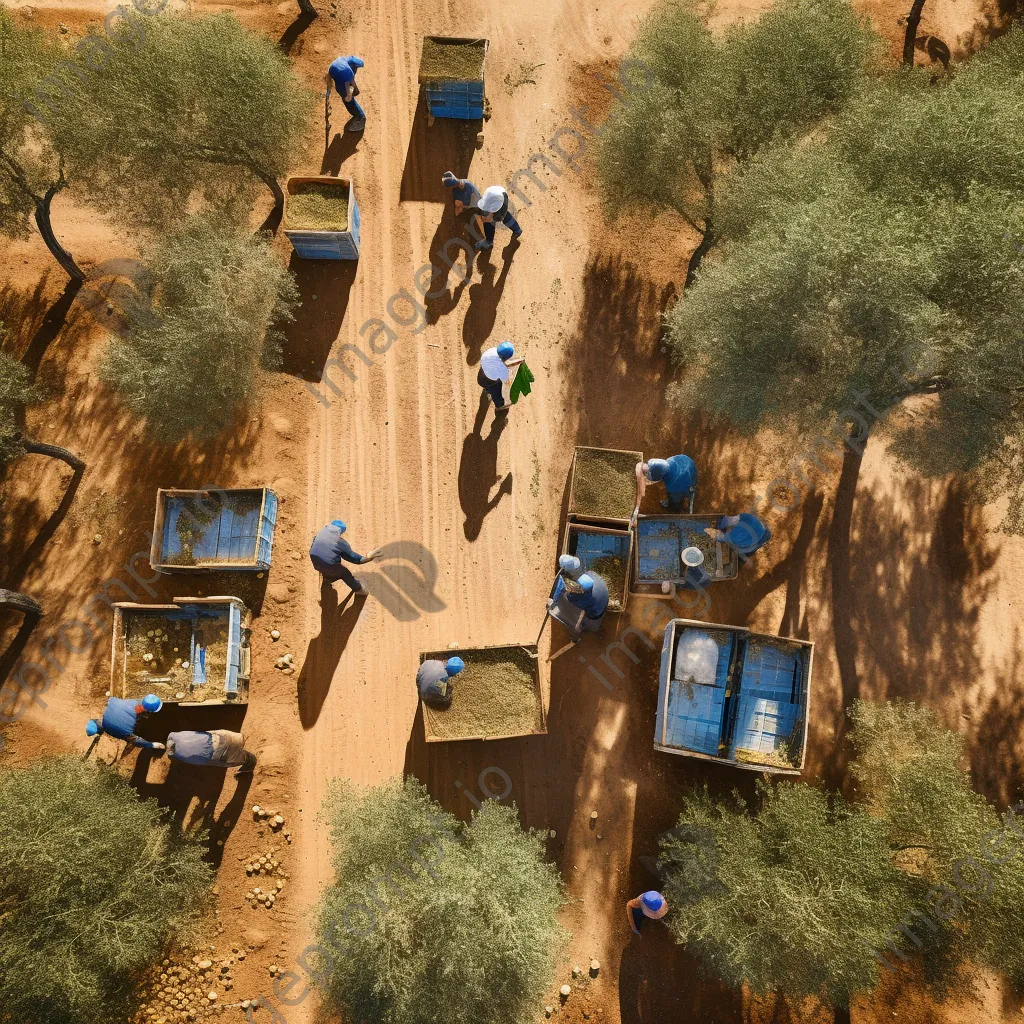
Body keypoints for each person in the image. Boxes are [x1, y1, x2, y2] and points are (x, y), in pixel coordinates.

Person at [309, 520, 381, 596]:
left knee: (327, 560)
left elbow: (315, 543)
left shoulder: (322, 532)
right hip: (329, 564)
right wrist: (369, 558)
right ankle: (359, 590)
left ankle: (328, 577)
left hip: (314, 560)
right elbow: (356, 559)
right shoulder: (339, 542)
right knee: (345, 573)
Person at [85, 694, 164, 751]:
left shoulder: (123, 700)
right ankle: (100, 729)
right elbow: (136, 741)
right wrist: (152, 745)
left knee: (101, 725)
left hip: (108, 715)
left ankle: (97, 727)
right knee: (128, 737)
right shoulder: (126, 728)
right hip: (114, 728)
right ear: (148, 710)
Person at [165, 730, 257, 773]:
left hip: (222, 753)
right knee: (210, 737)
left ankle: (249, 760)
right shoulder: (178, 735)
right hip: (227, 736)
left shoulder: (180, 755)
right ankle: (242, 753)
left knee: (218, 760)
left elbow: (202, 761)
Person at [478, 341, 523, 412]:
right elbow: (507, 380)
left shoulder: (491, 351)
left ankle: (487, 391)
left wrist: (518, 361)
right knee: (497, 393)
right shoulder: (502, 369)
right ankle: (499, 406)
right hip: (490, 381)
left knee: (487, 387)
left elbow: (502, 362)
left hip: (480, 376)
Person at [475, 185, 522, 251]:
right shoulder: (486, 200)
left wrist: (487, 218)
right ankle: (517, 230)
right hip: (501, 194)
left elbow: (489, 217)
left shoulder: (494, 207)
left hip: (500, 200)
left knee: (490, 221)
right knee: (503, 214)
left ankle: (488, 242)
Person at [327, 54, 366, 133]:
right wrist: (349, 95)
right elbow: (350, 85)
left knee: (349, 99)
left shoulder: (344, 60)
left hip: (340, 78)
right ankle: (360, 117)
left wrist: (349, 95)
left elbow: (329, 77)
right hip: (342, 83)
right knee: (348, 99)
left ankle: (360, 117)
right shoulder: (348, 73)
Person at [441, 171, 485, 239]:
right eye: (452, 186)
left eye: (454, 184)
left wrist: (461, 206)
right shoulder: (455, 192)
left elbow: (466, 200)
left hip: (478, 205)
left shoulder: (466, 184)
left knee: (481, 218)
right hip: (471, 207)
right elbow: (459, 205)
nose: (454, 186)